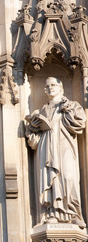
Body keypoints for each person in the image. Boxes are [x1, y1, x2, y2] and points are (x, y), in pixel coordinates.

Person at [25, 77, 86, 229]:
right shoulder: (41, 111)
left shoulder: (71, 105)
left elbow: (80, 123)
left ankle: (73, 214)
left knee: (68, 177)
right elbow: (33, 141)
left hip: (64, 148)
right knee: (50, 181)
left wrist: (68, 111)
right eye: (47, 86)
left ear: (61, 88)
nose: (50, 88)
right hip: (46, 151)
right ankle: (52, 213)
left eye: (53, 85)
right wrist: (33, 127)